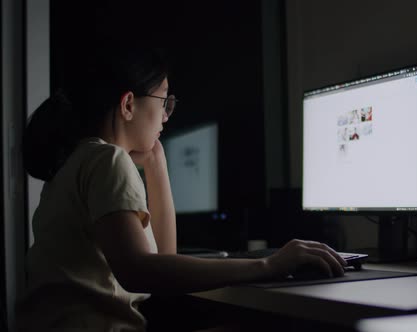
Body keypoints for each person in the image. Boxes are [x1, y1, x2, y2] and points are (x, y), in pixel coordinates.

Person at [17, 47, 346, 332]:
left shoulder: (76, 161)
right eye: (164, 101)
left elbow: (163, 261)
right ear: (128, 104)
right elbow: (139, 271)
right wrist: (268, 265)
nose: (166, 115)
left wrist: (157, 164)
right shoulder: (107, 160)